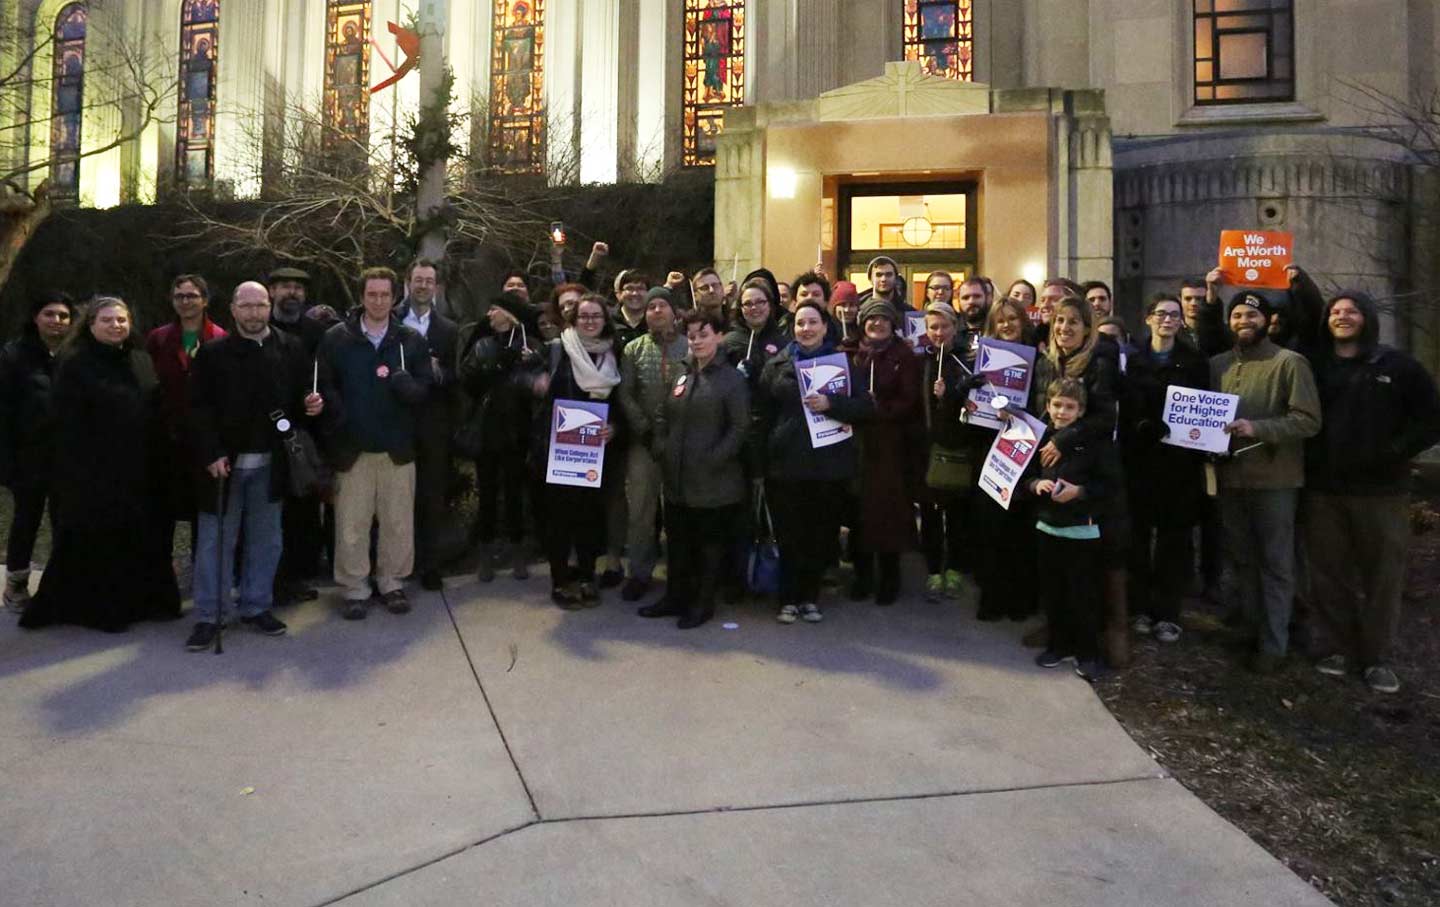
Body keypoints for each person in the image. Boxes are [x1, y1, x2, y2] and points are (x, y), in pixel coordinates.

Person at [1303, 291, 1440, 693]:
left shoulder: (1397, 366)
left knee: (1382, 575)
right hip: (1324, 489)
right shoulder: (1315, 366)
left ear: (1367, 319)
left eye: (1351, 311)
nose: (1342, 316)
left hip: (1382, 492)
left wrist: (1395, 451)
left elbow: (1431, 419)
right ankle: (1337, 648)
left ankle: (1377, 658)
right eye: (1335, 311)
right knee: (1328, 574)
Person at [19, 298, 182, 632]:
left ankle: (143, 603)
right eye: (107, 320)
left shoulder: (141, 360)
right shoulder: (75, 364)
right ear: (91, 324)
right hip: (93, 472)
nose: (116, 326)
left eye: (121, 319)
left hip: (140, 469)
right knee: (98, 540)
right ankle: (102, 611)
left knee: (139, 537)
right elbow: (64, 422)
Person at [183, 282, 325, 651]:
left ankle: (256, 605)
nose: (254, 313)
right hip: (224, 466)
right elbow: (198, 409)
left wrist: (310, 406)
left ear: (269, 306)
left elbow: (298, 402)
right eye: (246, 306)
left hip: (272, 463)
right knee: (217, 543)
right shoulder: (212, 355)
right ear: (232, 309)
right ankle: (210, 616)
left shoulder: (291, 348)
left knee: (267, 540)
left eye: (260, 305)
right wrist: (211, 452)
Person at [1211, 290, 1322, 673]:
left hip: (1275, 481)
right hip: (1230, 479)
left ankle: (1274, 646)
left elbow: (1308, 420)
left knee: (1276, 563)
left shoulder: (1290, 363)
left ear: (1268, 321)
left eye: (1252, 316)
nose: (1244, 321)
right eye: (1237, 315)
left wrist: (1257, 427)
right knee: (1242, 559)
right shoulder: (1217, 366)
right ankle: (1252, 628)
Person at [317, 267, 433, 619]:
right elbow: (324, 383)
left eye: (385, 294)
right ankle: (355, 587)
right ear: (362, 297)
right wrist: (339, 416)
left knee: (398, 522)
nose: (379, 301)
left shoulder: (410, 340)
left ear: (395, 296)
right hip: (354, 449)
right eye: (372, 294)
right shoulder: (337, 338)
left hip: (397, 448)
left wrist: (410, 388)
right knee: (352, 524)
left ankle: (392, 582)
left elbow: (426, 387)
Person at [756, 300, 872, 623]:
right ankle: (787, 598)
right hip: (786, 465)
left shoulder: (844, 365)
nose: (805, 329)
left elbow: (864, 408)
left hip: (828, 466)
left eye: (812, 323)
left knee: (820, 535)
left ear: (824, 327)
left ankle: (810, 597)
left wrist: (830, 403)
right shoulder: (776, 364)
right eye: (799, 324)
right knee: (788, 535)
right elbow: (762, 415)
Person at [638, 310, 749, 628]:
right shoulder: (681, 372)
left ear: (718, 336)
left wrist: (715, 458)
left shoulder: (731, 379)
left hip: (713, 481)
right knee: (678, 542)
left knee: (708, 546)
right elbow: (663, 412)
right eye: (693, 334)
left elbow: (740, 428)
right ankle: (675, 597)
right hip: (676, 477)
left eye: (704, 333)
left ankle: (703, 602)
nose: (698, 340)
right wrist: (660, 443)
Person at [1120, 294, 1209, 644]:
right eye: (1161, 314)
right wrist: (1140, 425)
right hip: (1139, 461)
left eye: (1174, 315)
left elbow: (1205, 407)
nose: (1168, 320)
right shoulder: (1131, 359)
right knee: (1138, 539)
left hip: (1179, 464)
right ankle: (1140, 607)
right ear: (1148, 318)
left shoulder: (1194, 361)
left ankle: (1168, 613)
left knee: (1174, 542)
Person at [530, 295, 622, 608]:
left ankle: (586, 576)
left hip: (596, 450)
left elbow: (621, 400)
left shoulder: (613, 352)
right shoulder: (558, 349)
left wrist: (616, 427)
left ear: (604, 319)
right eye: (583, 316)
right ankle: (560, 581)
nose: (590, 321)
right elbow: (522, 376)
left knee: (589, 517)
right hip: (559, 451)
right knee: (559, 518)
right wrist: (535, 382)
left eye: (596, 316)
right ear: (573, 319)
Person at [1024, 377, 1111, 682]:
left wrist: (1080, 492)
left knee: (1082, 595)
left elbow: (1109, 484)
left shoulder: (1097, 444)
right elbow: (1026, 475)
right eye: (1057, 405)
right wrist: (1036, 484)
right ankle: (1058, 645)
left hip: (1081, 531)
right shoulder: (1040, 437)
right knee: (1053, 592)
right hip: (1047, 526)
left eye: (1069, 406)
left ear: (1081, 410)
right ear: (1047, 406)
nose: (1062, 411)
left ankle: (1088, 653)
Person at [460, 292, 544, 582]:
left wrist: (529, 364)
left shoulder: (528, 345)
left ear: (509, 314)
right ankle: (485, 553)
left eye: (494, 309)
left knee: (514, 494)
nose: (489, 314)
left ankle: (517, 551)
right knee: (488, 494)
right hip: (487, 430)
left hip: (518, 430)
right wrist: (493, 366)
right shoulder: (482, 344)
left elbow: (538, 385)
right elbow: (467, 380)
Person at [0, 291, 73, 612]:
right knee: (27, 519)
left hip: (65, 458)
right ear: (35, 317)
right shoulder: (14, 356)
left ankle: (60, 584)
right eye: (50, 314)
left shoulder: (74, 355)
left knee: (64, 520)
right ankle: (16, 584)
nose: (57, 321)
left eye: (63, 315)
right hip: (27, 457)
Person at [146, 274, 226, 565]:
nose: (185, 301)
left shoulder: (220, 338)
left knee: (201, 513)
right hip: (168, 437)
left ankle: (202, 572)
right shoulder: (158, 338)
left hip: (204, 442)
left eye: (192, 296)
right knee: (163, 510)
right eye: (179, 296)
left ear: (205, 300)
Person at [616, 286, 688, 601]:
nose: (656, 311)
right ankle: (639, 573)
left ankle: (682, 572)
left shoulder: (689, 346)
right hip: (642, 443)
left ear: (674, 311)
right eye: (650, 307)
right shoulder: (633, 349)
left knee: (680, 511)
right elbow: (625, 393)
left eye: (661, 305)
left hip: (681, 443)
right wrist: (643, 429)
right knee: (641, 512)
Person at [267, 266, 334, 604]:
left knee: (302, 507)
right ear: (272, 292)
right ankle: (269, 576)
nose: (291, 293)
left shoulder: (315, 331)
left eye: (297, 288)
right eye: (284, 287)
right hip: (265, 431)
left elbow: (324, 375)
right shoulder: (262, 327)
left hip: (305, 431)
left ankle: (299, 573)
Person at [969, 297, 1039, 622]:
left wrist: (1019, 414)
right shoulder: (982, 360)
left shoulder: (1039, 360)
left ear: (1023, 321)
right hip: (990, 450)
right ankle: (992, 597)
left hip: (1024, 451)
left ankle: (1020, 598)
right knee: (990, 527)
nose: (1007, 325)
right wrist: (967, 404)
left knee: (1020, 530)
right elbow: (969, 403)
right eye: (1000, 320)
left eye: (1012, 319)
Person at [848, 299, 920, 605]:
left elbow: (909, 399)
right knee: (858, 512)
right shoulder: (851, 354)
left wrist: (880, 410)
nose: (877, 324)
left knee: (888, 513)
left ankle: (889, 577)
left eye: (883, 320)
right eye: (871, 319)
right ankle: (862, 575)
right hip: (857, 444)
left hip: (890, 445)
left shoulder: (903, 355)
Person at [396, 258, 461, 590]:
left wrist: (438, 372)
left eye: (429, 281)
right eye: (417, 280)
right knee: (396, 499)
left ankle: (430, 564)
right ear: (407, 283)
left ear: (436, 287)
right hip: (397, 421)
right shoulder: (389, 320)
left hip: (434, 425)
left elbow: (456, 377)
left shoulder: (449, 329)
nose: (423, 286)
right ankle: (396, 564)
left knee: (432, 497)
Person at [917, 302, 978, 602]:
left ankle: (954, 568)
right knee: (929, 514)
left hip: (959, 445)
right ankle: (932, 570)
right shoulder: (923, 362)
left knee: (958, 516)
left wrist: (953, 394)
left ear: (955, 326)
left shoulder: (968, 360)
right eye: (933, 327)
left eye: (944, 326)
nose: (939, 332)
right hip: (928, 449)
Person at [829, 280, 861, 350]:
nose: (847, 310)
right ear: (834, 308)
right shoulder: (826, 332)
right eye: (842, 305)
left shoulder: (864, 331)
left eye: (852, 305)